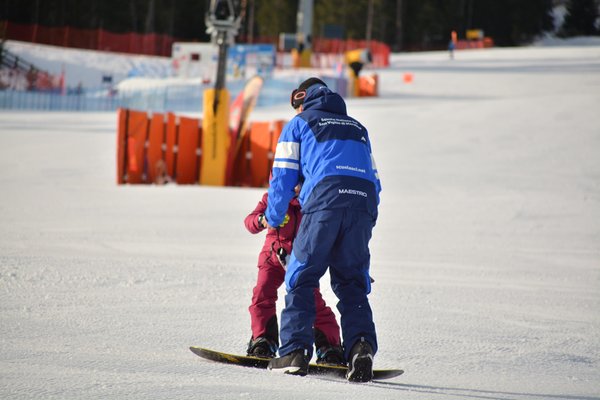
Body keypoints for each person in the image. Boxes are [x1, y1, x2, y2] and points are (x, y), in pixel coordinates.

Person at [264, 77, 381, 382]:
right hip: (362, 204)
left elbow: (282, 176)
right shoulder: (357, 128)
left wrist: (275, 217)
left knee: (301, 276)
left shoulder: (299, 123)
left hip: (325, 201)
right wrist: (366, 217)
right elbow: (375, 179)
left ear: (302, 100)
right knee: (351, 282)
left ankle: (294, 351)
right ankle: (360, 347)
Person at [244, 184, 344, 365]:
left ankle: (330, 347)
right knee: (261, 295)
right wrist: (262, 220)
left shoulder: (313, 203)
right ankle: (263, 341)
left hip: (300, 262)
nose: (296, 187)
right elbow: (249, 221)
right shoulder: (273, 198)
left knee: (314, 302)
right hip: (272, 259)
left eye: (301, 182)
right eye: (294, 182)